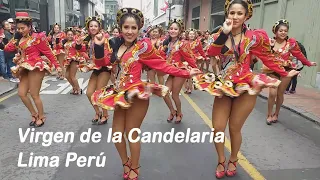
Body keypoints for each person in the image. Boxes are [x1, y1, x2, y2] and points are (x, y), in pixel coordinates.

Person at [192, 0, 299, 178]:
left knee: (234, 127)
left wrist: (284, 72)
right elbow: (210, 53)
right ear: (227, 14)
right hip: (224, 85)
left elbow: (268, 57)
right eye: (232, 13)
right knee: (218, 128)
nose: (235, 17)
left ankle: (233, 158)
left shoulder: (255, 37)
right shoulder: (220, 34)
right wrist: (224, 33)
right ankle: (220, 159)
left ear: (246, 15)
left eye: (239, 13)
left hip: (245, 84)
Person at [91, 8, 201, 180]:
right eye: (126, 27)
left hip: (136, 93)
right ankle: (126, 162)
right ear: (120, 28)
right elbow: (102, 62)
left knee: (131, 132)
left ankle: (135, 166)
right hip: (119, 94)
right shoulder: (115, 44)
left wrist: (187, 73)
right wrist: (98, 46)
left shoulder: (143, 47)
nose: (129, 31)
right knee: (116, 134)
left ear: (139, 29)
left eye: (133, 28)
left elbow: (162, 65)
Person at [4, 12, 62, 127]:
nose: (20, 30)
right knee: (21, 93)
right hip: (24, 67)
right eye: (18, 28)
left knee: (34, 94)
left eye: (23, 28)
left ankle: (41, 116)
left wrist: (57, 65)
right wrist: (15, 38)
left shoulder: (37, 37)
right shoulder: (18, 38)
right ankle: (34, 114)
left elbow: (48, 52)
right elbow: (7, 49)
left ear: (29, 27)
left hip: (36, 66)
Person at [263, 19, 316, 124]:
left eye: (285, 31)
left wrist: (308, 63)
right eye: (281, 31)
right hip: (272, 70)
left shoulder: (290, 43)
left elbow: (298, 54)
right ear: (275, 31)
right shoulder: (269, 42)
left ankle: (276, 114)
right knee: (272, 93)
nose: (283, 33)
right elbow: (264, 55)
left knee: (280, 93)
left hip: (286, 71)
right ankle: (269, 114)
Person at [159, 19, 198, 123]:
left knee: (174, 95)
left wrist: (196, 70)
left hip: (180, 71)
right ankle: (172, 111)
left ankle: (179, 113)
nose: (173, 30)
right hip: (171, 71)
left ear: (180, 31)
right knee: (164, 92)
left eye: (175, 29)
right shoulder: (167, 43)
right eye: (171, 28)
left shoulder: (183, 43)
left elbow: (190, 58)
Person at [77, 16, 112, 125]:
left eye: (95, 26)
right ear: (88, 27)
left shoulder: (102, 37)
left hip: (105, 67)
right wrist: (78, 43)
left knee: (99, 92)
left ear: (99, 27)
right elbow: (83, 50)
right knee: (89, 93)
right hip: (95, 67)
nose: (93, 28)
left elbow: (107, 52)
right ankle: (98, 112)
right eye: (91, 26)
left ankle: (105, 115)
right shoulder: (88, 39)